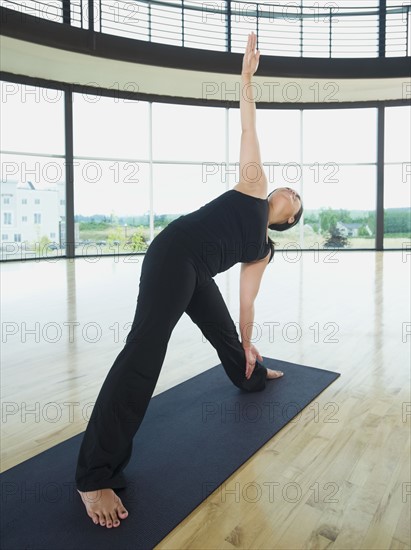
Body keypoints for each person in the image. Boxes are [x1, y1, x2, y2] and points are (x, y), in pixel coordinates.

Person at [76, 32, 303, 528]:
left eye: (295, 200)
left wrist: (250, 347)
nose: (288, 191)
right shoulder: (253, 185)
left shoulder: (263, 249)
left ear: (287, 221)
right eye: (288, 187)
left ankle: (254, 377)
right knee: (144, 353)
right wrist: (245, 78)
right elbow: (249, 127)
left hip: (197, 271)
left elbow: (246, 306)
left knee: (230, 339)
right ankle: (94, 474)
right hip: (173, 253)